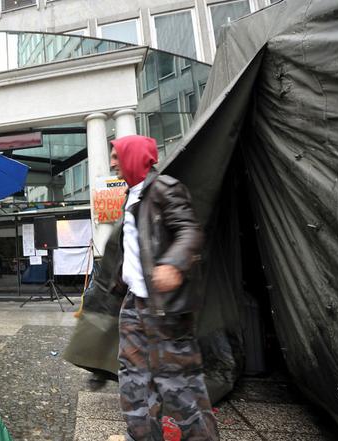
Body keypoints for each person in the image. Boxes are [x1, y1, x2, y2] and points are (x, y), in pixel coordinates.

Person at [107, 135, 218, 441]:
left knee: (180, 385)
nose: (113, 162)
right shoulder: (131, 195)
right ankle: (142, 436)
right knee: (133, 380)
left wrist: (173, 263)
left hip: (165, 306)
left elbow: (189, 231)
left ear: (134, 157)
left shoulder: (164, 188)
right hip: (134, 304)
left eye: (117, 155)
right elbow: (130, 250)